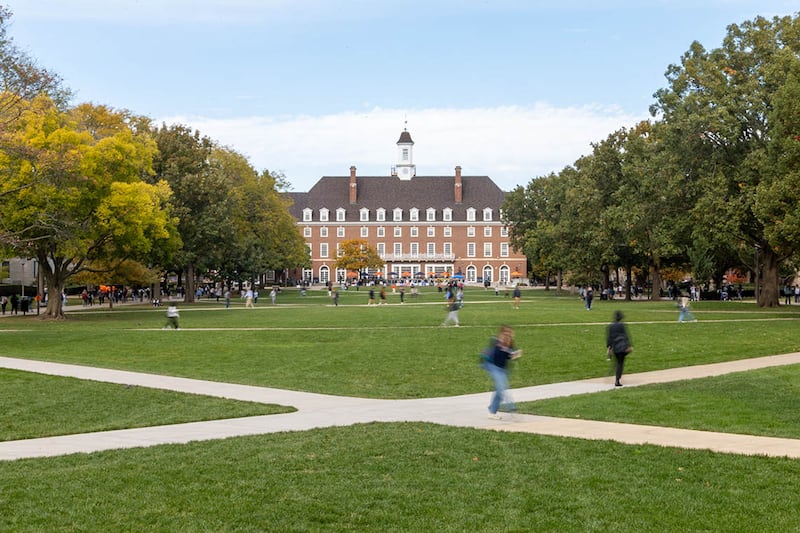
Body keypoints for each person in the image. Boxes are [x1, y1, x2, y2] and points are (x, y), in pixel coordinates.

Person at [481, 325, 522, 419]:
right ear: (502, 333)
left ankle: (492, 410)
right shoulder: (496, 341)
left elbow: (509, 356)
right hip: (492, 366)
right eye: (506, 332)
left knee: (500, 390)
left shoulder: (510, 343)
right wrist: (504, 347)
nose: (509, 334)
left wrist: (515, 355)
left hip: (502, 368)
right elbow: (495, 352)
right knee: (501, 386)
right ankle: (511, 407)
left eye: (510, 333)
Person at [606, 310, 632, 387]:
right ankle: (617, 379)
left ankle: (614, 373)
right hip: (622, 346)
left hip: (615, 346)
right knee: (620, 363)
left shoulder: (610, 326)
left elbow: (609, 338)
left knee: (617, 362)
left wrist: (609, 347)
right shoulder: (622, 325)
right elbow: (626, 336)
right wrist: (629, 345)